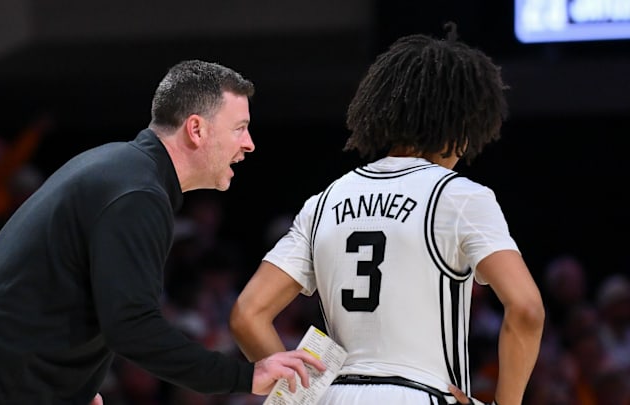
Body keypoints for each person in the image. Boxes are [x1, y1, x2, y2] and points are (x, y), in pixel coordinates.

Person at [0, 59, 325, 405]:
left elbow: (64, 297)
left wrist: (73, 389)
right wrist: (244, 375)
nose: (250, 143)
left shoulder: (121, 170)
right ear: (196, 129)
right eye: (240, 128)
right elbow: (132, 327)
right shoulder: (137, 191)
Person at [229, 23, 544, 405]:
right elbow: (526, 309)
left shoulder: (324, 201)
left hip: (332, 395)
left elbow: (247, 314)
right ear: (462, 123)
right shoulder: (458, 195)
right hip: (419, 394)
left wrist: (305, 393)